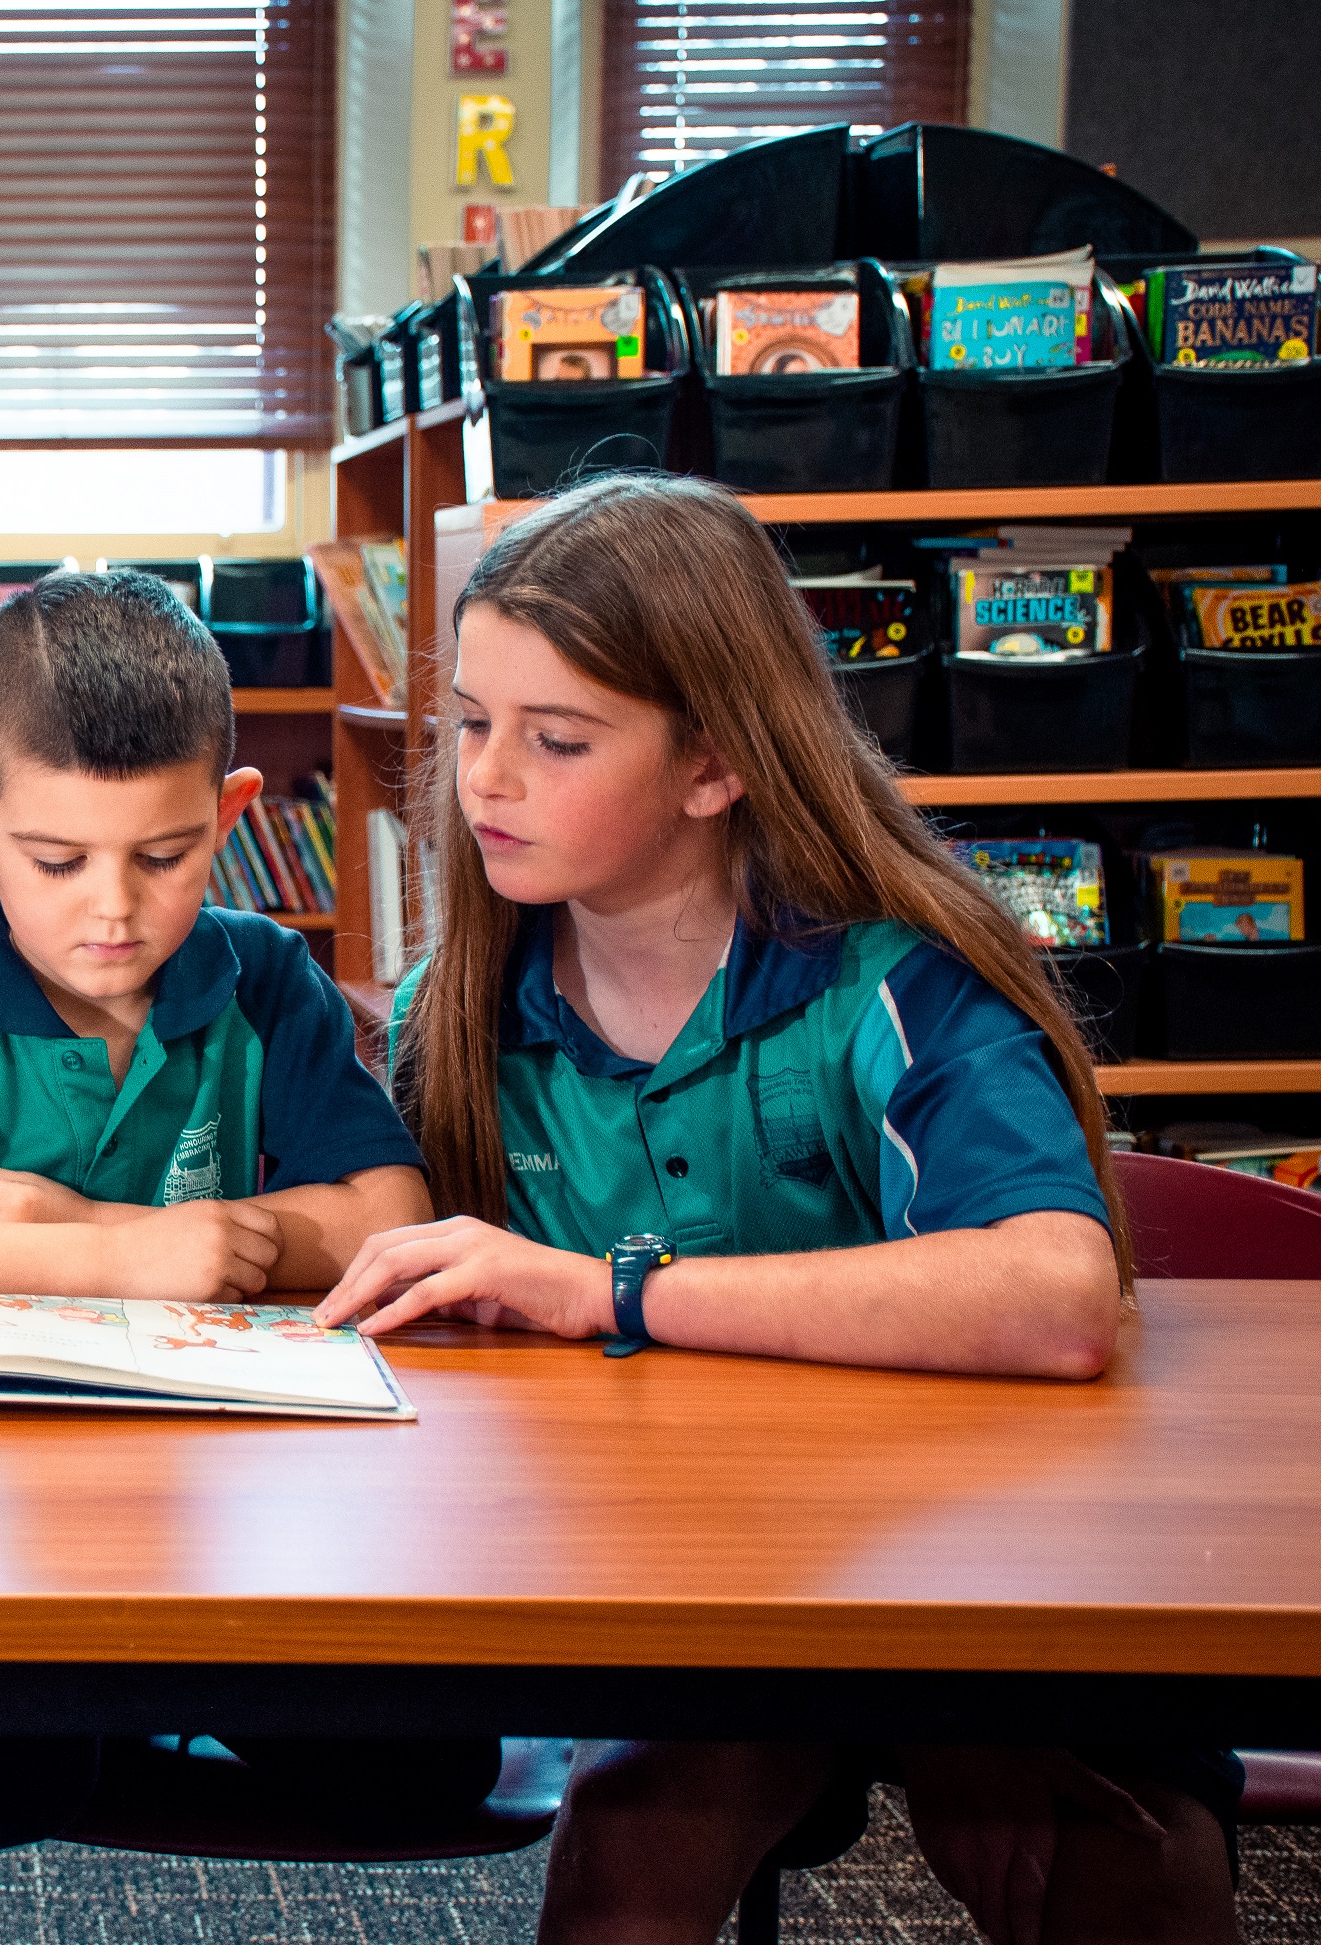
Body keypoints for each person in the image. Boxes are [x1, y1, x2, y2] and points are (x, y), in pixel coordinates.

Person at [318, 473, 1236, 1944]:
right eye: (472, 722)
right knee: (623, 1870)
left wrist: (609, 1290)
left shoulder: (898, 978)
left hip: (1010, 1572)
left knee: (1115, 1871)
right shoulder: (456, 1016)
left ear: (715, 766)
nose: (482, 780)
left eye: (553, 740)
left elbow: (1060, 1297)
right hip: (701, 1605)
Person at [0, 569, 482, 1859]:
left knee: (431, 1773)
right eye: (56, 858)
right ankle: (116, 1701)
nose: (112, 906)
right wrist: (100, 1253)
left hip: (232, 1512)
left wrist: (94, 1218)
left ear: (230, 813)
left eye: (163, 855)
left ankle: (158, 1688)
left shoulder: (263, 975)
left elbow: (387, 1211)